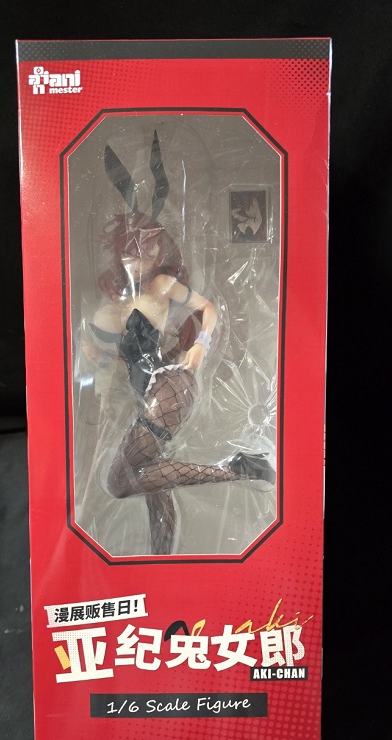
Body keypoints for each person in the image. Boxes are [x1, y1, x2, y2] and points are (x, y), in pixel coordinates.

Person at [82, 138, 274, 554]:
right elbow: (106, 361)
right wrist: (94, 362)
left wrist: (200, 347)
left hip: (170, 389)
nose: (143, 256)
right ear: (120, 252)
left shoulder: (162, 285)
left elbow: (209, 309)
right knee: (152, 483)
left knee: (118, 482)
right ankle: (163, 560)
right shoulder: (113, 307)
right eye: (134, 249)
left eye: (152, 247)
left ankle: (238, 469)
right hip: (150, 396)